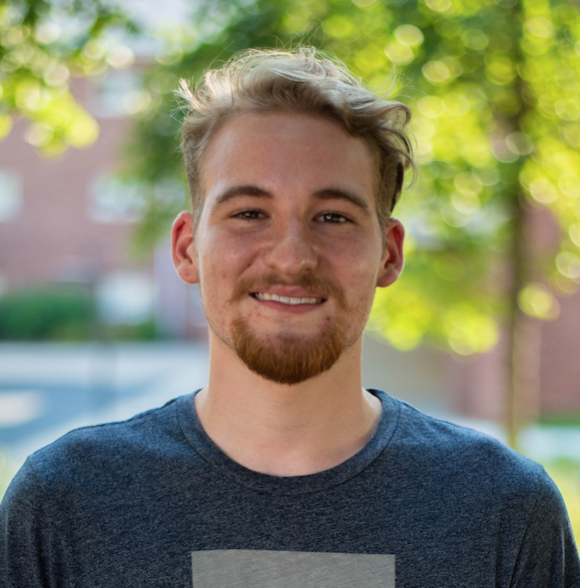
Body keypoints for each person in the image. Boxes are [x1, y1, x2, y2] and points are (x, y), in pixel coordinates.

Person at [1, 48, 579, 588]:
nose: (292, 257)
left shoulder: (506, 512)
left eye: (333, 217)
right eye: (249, 212)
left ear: (389, 253)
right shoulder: (63, 503)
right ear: (186, 248)